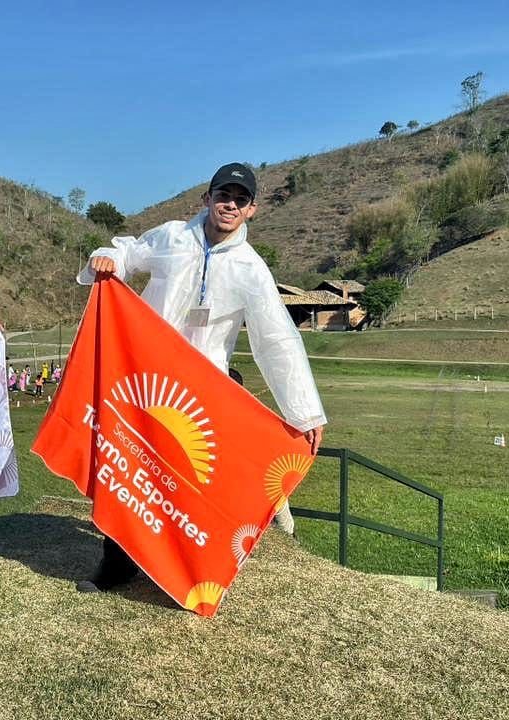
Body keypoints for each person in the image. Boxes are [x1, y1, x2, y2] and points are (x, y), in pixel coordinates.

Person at [76, 163, 327, 593]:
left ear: (252, 210)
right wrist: (109, 258)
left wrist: (305, 412)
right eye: (222, 195)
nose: (229, 204)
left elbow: (277, 340)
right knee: (130, 469)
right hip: (147, 379)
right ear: (206, 199)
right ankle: (117, 563)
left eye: (240, 199)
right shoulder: (172, 237)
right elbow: (129, 251)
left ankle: (178, 568)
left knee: (189, 484)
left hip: (203, 390)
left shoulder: (251, 269)